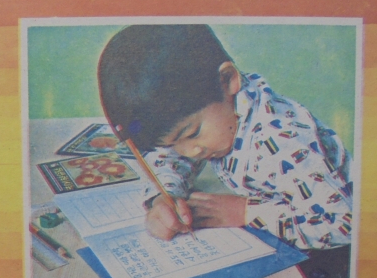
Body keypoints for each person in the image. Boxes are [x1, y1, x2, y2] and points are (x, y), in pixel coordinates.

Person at [97, 24, 354, 256]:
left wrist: (247, 212)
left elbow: (345, 224)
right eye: (172, 143)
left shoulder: (283, 142)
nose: (189, 152)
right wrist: (165, 195)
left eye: (192, 134)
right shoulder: (218, 113)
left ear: (228, 80)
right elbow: (171, 154)